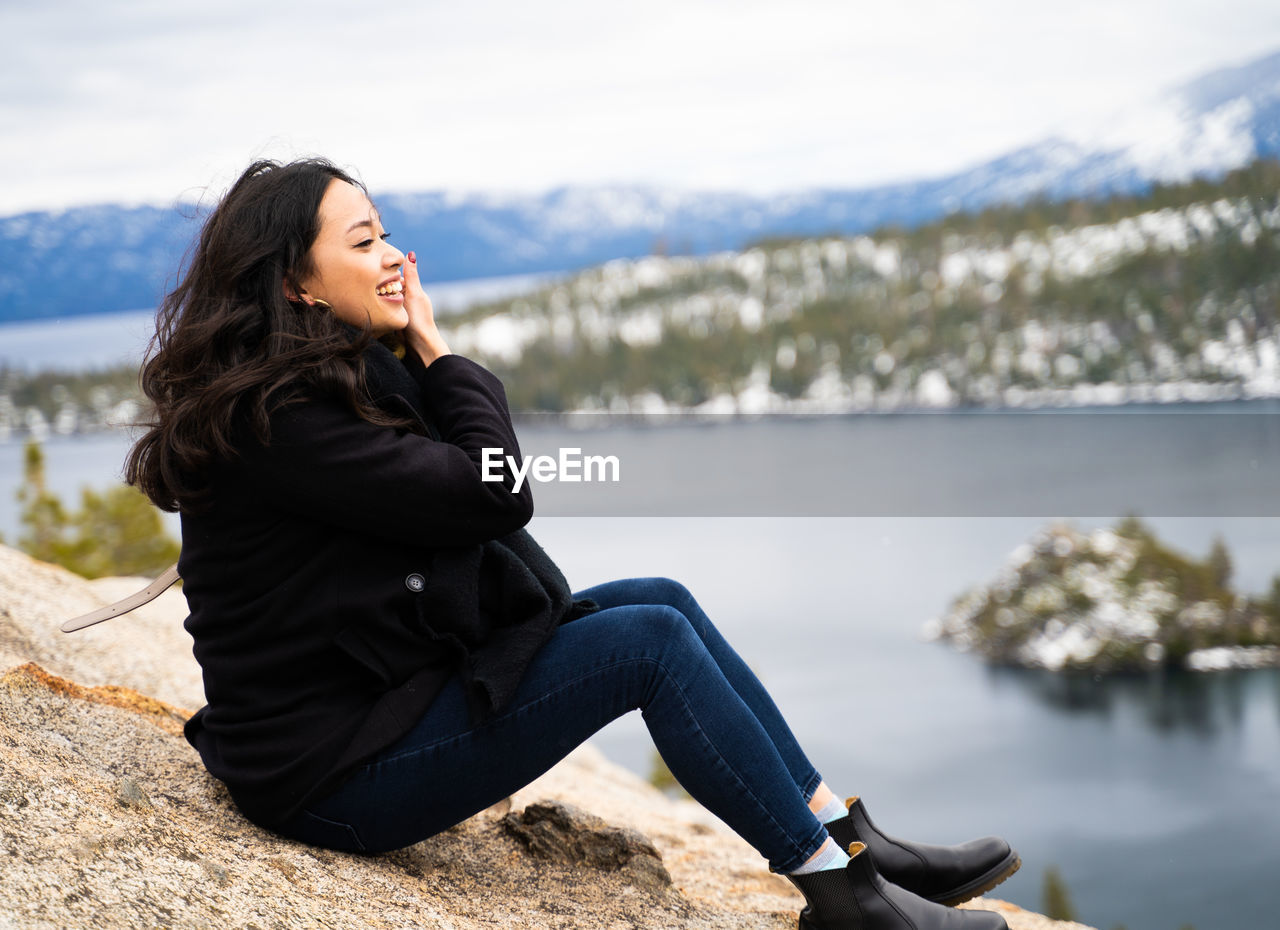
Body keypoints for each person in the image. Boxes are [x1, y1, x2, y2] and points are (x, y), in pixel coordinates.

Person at [126, 158, 1019, 930]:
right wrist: (436, 349)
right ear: (296, 284)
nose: (394, 258)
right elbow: (493, 494)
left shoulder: (322, 385)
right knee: (649, 648)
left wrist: (420, 357)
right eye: (363, 243)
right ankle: (843, 900)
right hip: (333, 775)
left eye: (387, 235)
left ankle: (848, 842)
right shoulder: (288, 422)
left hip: (375, 711)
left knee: (659, 599)